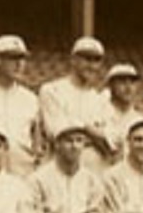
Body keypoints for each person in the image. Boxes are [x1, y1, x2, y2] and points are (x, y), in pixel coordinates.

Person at [38, 37, 110, 172]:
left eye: (96, 60)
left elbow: (110, 142)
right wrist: (92, 131)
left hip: (94, 167)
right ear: (73, 60)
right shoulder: (52, 90)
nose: (92, 65)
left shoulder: (100, 98)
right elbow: (57, 133)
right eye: (86, 59)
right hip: (59, 167)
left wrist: (79, 125)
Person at [0, 35, 42, 176]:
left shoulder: (30, 98)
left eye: (22, 58)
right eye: (13, 58)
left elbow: (36, 140)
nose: (19, 64)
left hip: (22, 173)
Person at [94, 63, 143, 166]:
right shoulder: (97, 112)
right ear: (111, 85)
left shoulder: (140, 119)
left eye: (132, 82)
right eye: (122, 82)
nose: (128, 87)